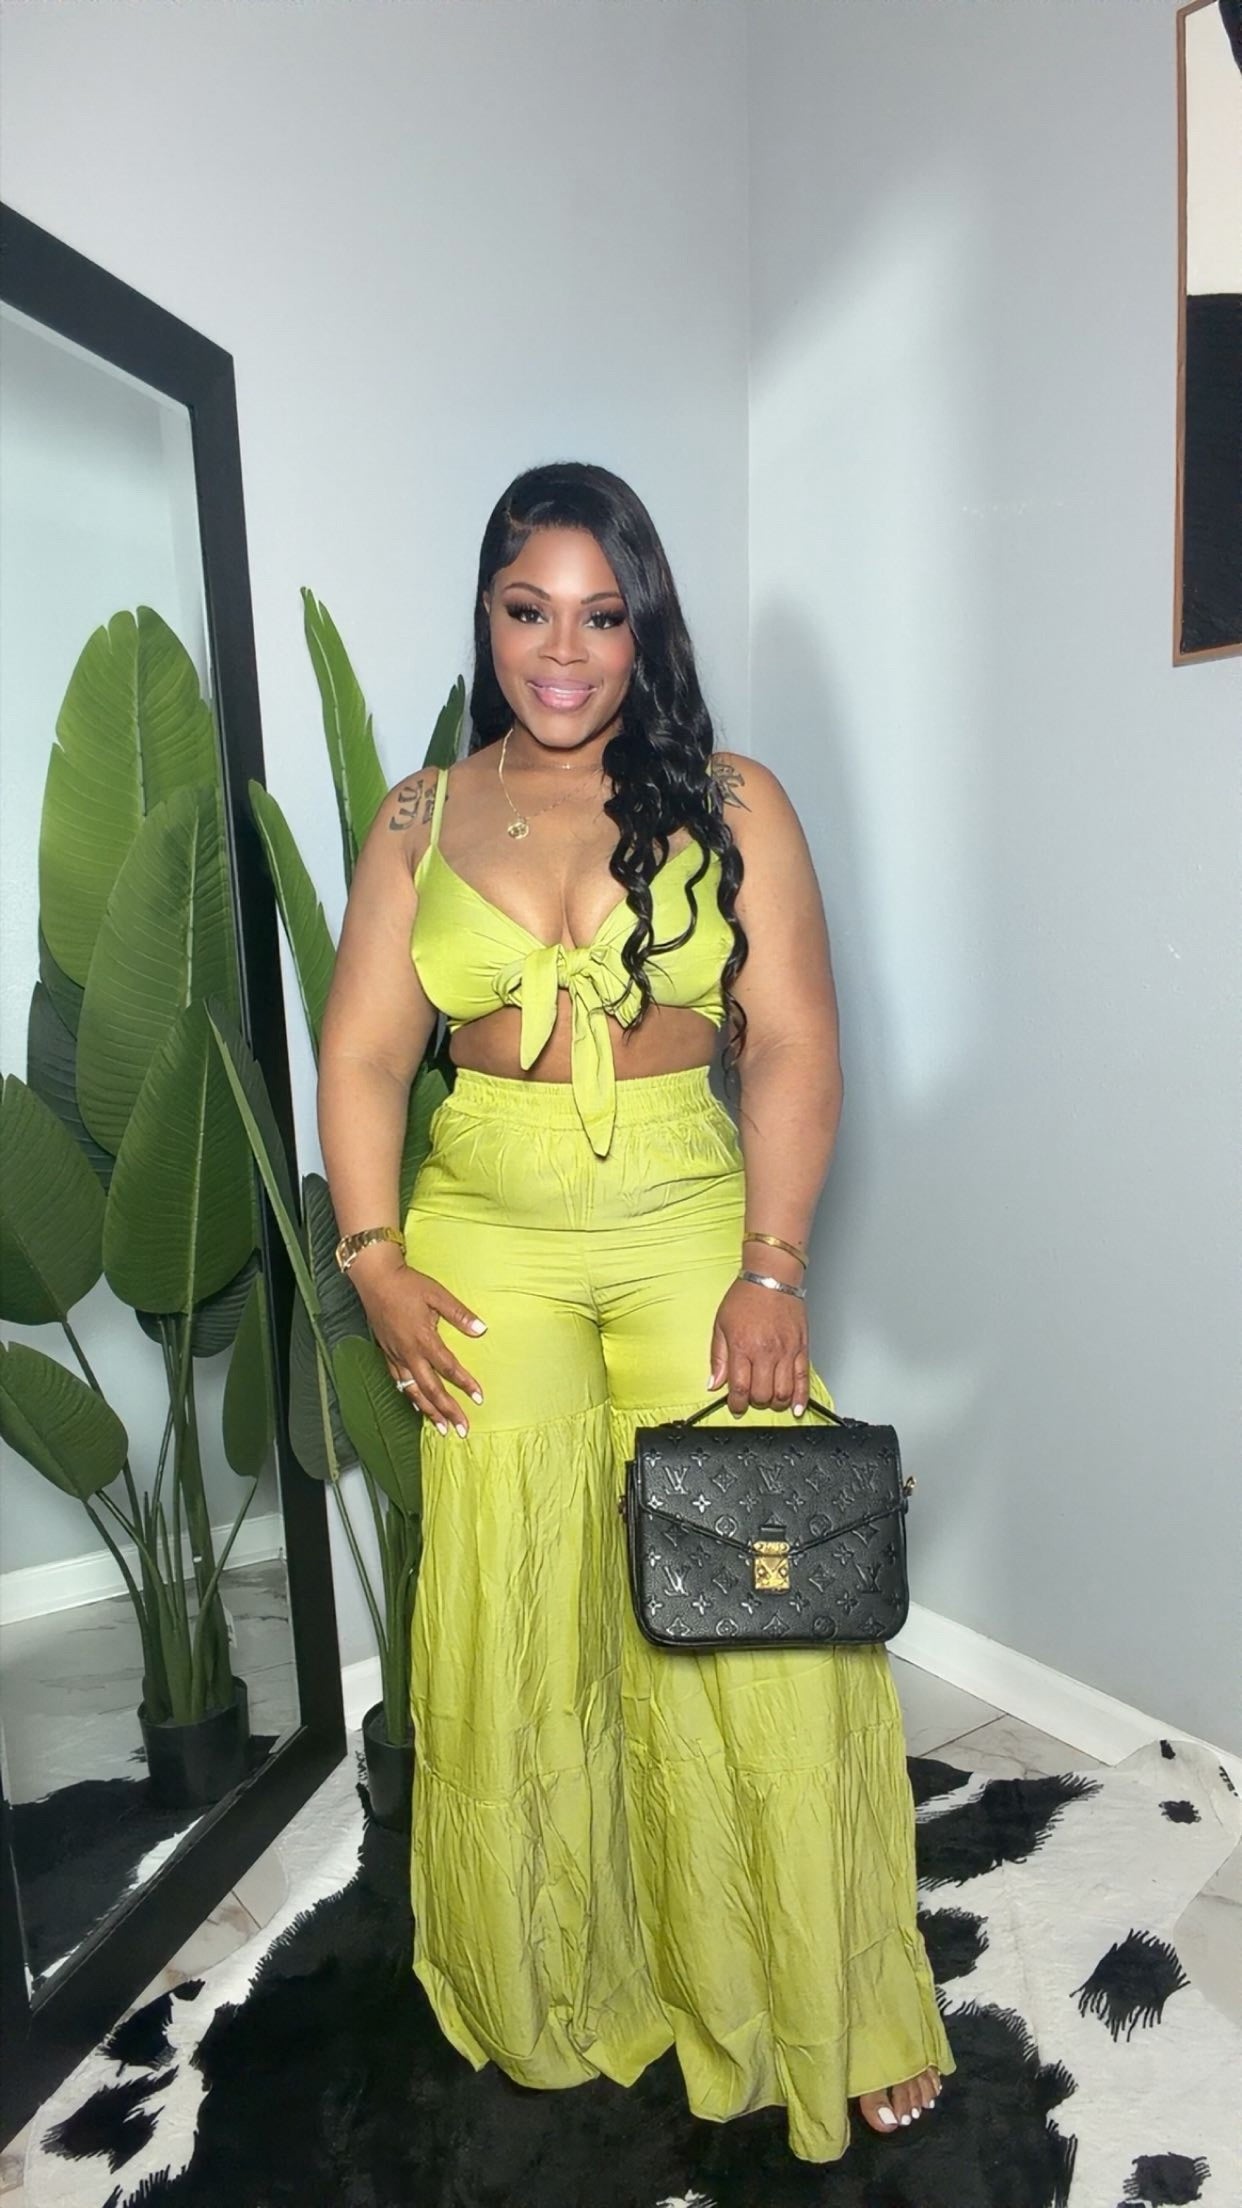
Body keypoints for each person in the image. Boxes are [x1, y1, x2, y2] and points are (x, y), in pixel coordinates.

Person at [316, 461, 954, 2164]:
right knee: (519, 1608)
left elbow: (795, 1038)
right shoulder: (417, 817)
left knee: (764, 1597)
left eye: (600, 616)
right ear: (486, 615)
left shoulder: (730, 798)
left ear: (643, 629)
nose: (561, 650)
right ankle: (558, 1978)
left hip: (686, 1209)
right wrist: (372, 1254)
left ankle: (832, 2000)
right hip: (484, 1230)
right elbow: (366, 1052)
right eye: (528, 610)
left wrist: (772, 1264)